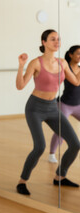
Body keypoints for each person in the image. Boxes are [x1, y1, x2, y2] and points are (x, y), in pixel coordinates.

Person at [16, 30, 80, 195]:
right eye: (53, 39)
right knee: (39, 147)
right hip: (35, 108)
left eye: (58, 39)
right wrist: (21, 65)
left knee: (75, 144)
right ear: (44, 42)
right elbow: (20, 85)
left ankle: (60, 176)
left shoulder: (62, 63)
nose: (57, 42)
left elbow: (76, 82)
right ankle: (22, 181)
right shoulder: (35, 63)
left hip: (52, 107)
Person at [48, 45, 80, 163]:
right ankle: (51, 154)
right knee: (60, 131)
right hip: (65, 105)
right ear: (71, 55)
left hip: (78, 105)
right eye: (78, 53)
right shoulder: (64, 68)